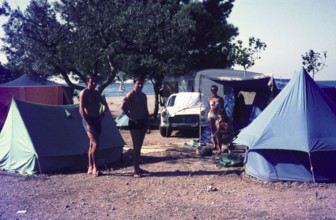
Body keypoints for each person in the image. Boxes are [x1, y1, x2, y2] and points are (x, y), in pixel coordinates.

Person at [121, 75, 150, 178]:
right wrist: (131, 117)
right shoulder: (131, 94)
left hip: (143, 121)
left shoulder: (143, 95)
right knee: (136, 146)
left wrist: (148, 123)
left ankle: (137, 167)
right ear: (134, 83)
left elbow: (146, 110)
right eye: (138, 83)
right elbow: (122, 106)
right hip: (134, 123)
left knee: (139, 147)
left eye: (142, 83)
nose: (140, 85)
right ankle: (135, 170)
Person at [79, 74, 108, 176]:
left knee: (92, 145)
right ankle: (95, 167)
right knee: (95, 144)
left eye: (95, 82)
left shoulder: (96, 93)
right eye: (92, 82)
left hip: (96, 120)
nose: (94, 84)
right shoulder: (84, 93)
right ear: (87, 82)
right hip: (88, 120)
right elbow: (81, 110)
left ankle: (90, 167)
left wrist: (103, 114)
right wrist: (87, 122)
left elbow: (104, 104)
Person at [207, 85, 225, 151]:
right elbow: (209, 108)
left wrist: (222, 116)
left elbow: (222, 108)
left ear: (216, 90)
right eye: (212, 90)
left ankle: (219, 145)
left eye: (214, 90)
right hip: (211, 115)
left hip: (218, 115)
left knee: (219, 130)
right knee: (212, 130)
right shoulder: (209, 99)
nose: (213, 91)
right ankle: (214, 144)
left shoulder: (220, 99)